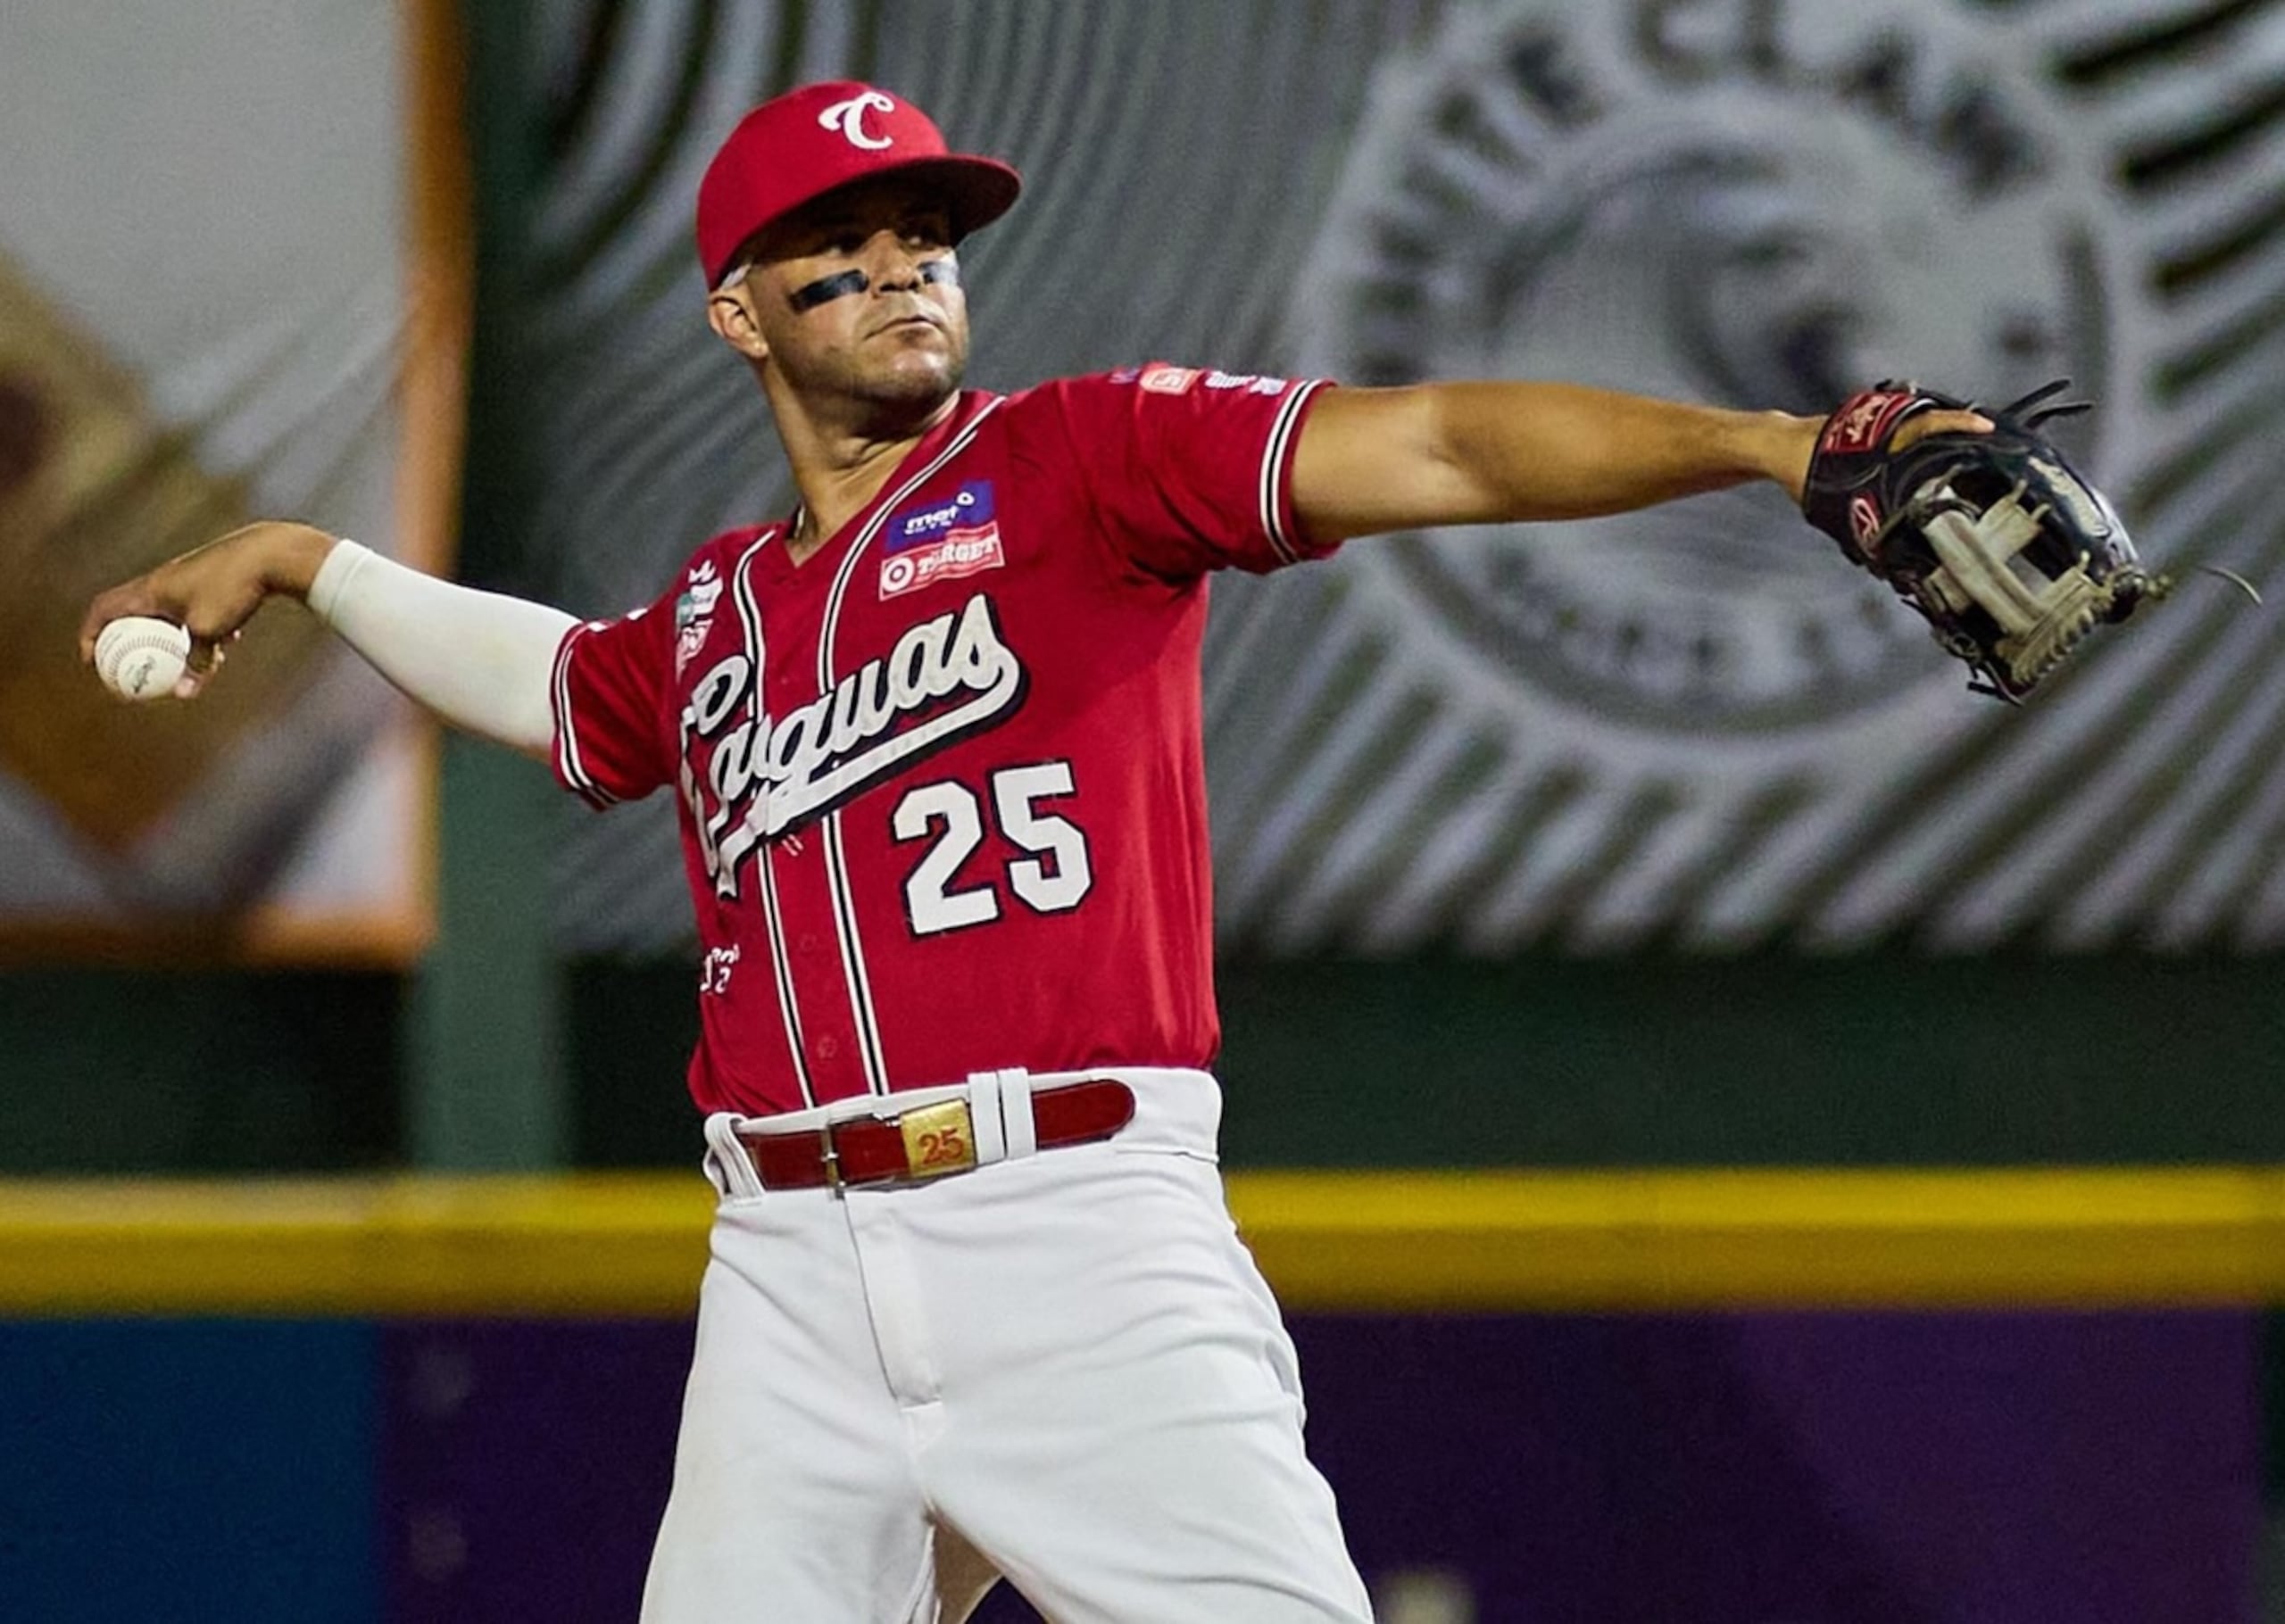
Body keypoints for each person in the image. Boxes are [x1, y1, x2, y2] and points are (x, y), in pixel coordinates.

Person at [82, 80, 1986, 1623]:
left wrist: (1767, 444)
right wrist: (308, 562)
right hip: (786, 1272)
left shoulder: (1084, 462)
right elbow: (567, 686)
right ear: (740, 315)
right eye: (838, 256)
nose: (901, 274)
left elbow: (1438, 449)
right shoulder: (728, 614)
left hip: (1071, 1222)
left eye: (924, 240)